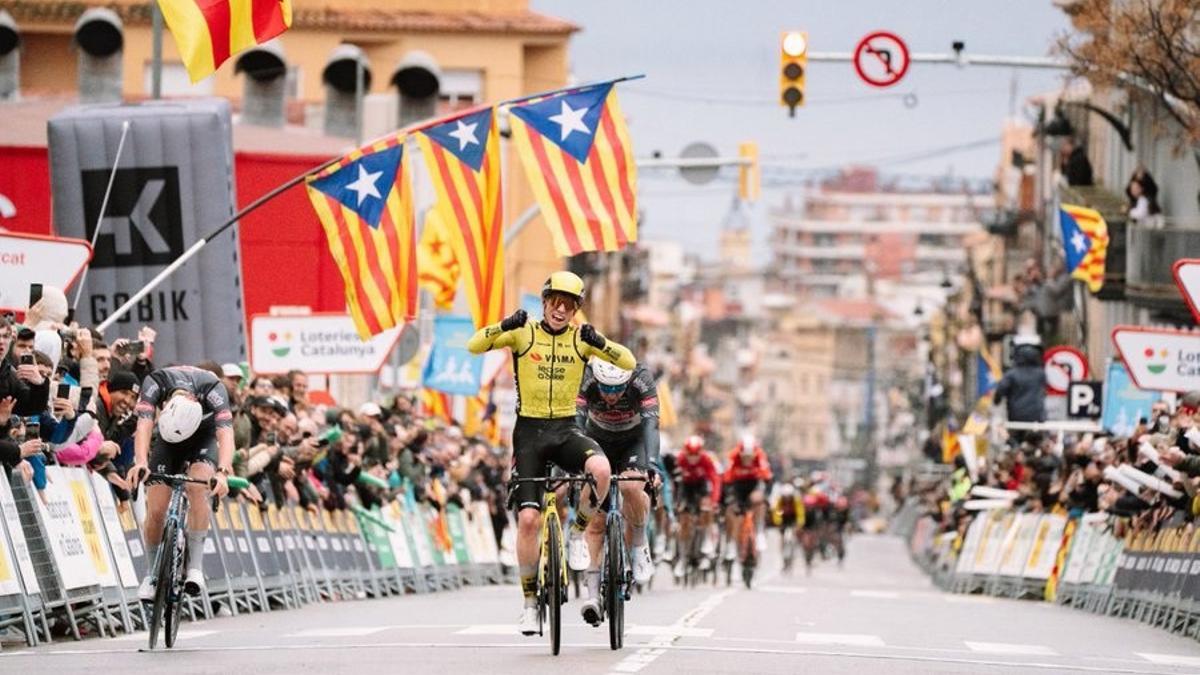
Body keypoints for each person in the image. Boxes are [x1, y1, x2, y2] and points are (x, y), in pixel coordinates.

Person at [467, 271, 635, 634]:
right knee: (528, 521)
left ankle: (576, 531)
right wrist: (502, 325)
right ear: (544, 303)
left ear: (576, 309)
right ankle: (529, 602)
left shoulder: (580, 339)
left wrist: (600, 342)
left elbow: (627, 363)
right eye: (554, 302)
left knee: (602, 471)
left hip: (565, 429)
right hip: (528, 433)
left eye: (569, 304)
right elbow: (474, 345)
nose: (560, 310)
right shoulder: (523, 332)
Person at [127, 365, 234, 601]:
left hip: (203, 438)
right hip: (167, 438)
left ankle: (195, 566)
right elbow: (143, 424)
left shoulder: (214, 388)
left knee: (197, 486)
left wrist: (223, 472)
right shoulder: (155, 381)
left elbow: (226, 434)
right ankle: (151, 574)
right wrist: (141, 462)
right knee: (155, 509)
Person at [574, 358, 661, 585]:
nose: (611, 396)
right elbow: (576, 422)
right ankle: (592, 587)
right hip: (597, 439)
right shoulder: (586, 376)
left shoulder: (641, 377)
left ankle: (640, 545)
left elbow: (651, 424)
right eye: (605, 389)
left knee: (631, 486)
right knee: (596, 522)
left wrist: (652, 464)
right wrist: (575, 458)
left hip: (633, 441)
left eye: (617, 389)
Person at [673, 435, 721, 577]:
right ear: (685, 452)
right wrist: (676, 503)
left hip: (701, 486)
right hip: (685, 487)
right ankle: (682, 557)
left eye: (696, 455)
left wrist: (713, 501)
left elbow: (715, 480)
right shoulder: (680, 459)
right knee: (684, 517)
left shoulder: (706, 460)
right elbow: (673, 482)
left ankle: (706, 539)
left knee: (706, 507)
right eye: (690, 455)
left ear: (700, 453)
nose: (693, 458)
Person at [722, 433, 772, 559]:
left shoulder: (760, 456)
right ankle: (732, 543)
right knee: (732, 510)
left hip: (754, 485)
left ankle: (759, 531)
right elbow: (727, 479)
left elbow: (767, 476)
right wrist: (730, 498)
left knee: (759, 501)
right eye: (745, 457)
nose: (747, 460)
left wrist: (764, 494)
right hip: (737, 486)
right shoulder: (733, 457)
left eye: (750, 457)